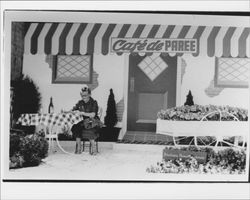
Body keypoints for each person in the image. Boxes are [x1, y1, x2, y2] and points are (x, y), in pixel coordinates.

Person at [71, 85, 100, 155]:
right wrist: (67, 111)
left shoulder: (94, 102)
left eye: (85, 95)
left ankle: (93, 149)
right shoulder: (80, 102)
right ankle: (79, 149)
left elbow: (93, 114)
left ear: (89, 94)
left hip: (92, 121)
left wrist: (82, 113)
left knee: (89, 128)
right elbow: (74, 110)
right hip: (82, 121)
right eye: (82, 95)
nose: (83, 97)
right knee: (75, 127)